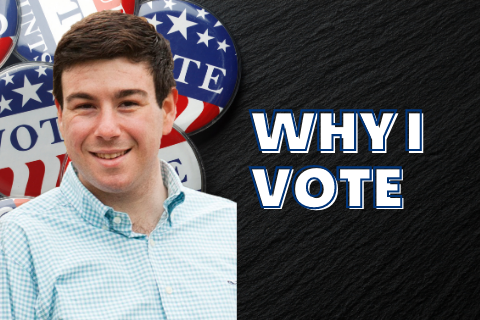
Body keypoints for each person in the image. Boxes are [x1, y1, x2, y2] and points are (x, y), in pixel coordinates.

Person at [0, 11, 236, 319]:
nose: (107, 129)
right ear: (60, 116)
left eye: (128, 103)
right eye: (85, 106)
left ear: (166, 110)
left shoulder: (229, 225)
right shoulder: (14, 246)